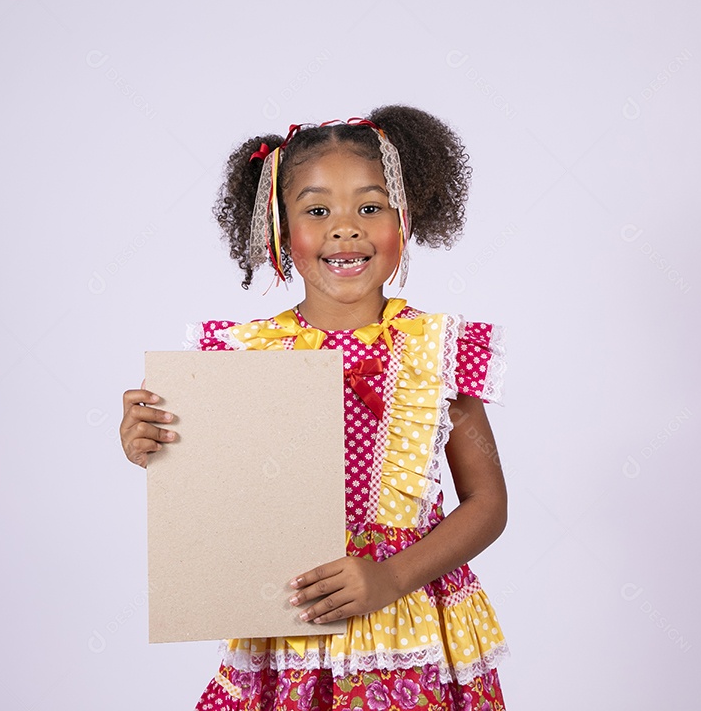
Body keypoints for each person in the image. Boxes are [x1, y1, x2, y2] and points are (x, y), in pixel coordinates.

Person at [120, 105, 509, 710]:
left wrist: (390, 578)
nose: (345, 228)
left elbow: (487, 503)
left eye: (370, 207)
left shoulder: (437, 351)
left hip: (409, 622)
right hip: (290, 621)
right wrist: (152, 443)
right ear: (281, 232)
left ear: (404, 221)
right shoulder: (241, 356)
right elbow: (216, 488)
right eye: (317, 210)